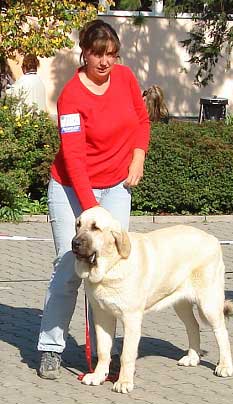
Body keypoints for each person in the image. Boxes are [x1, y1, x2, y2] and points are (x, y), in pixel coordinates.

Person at [37, 19, 150, 380]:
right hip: (72, 187)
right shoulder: (71, 95)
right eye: (98, 54)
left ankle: (107, 355)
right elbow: (73, 157)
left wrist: (138, 156)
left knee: (113, 265)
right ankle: (51, 347)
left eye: (112, 55)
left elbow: (141, 121)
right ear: (83, 53)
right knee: (69, 267)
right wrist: (90, 209)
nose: (105, 62)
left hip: (116, 184)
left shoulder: (127, 79)